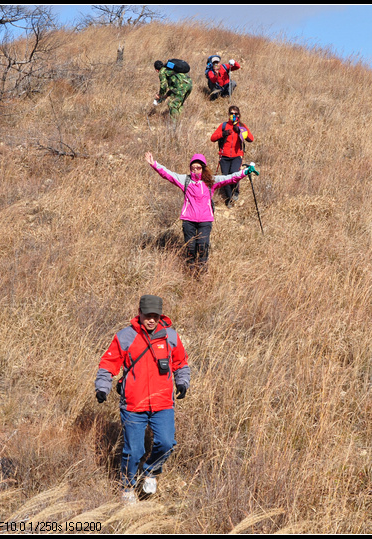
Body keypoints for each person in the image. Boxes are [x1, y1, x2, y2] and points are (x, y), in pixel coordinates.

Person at [95, 294, 190, 504]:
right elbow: (108, 363)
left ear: (160, 315)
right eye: (148, 315)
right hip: (133, 404)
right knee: (134, 450)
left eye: (155, 316)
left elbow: (181, 363)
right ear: (140, 313)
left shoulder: (170, 337)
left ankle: (151, 472)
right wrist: (103, 386)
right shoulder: (125, 337)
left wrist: (182, 381)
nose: (151, 320)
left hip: (163, 403)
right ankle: (127, 487)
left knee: (166, 443)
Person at [144, 151, 256, 271]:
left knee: (203, 245)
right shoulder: (185, 180)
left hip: (205, 220)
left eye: (198, 168)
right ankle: (191, 269)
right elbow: (168, 174)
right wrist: (154, 164)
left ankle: (202, 270)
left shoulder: (211, 181)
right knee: (190, 247)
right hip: (188, 220)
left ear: (203, 168)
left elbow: (230, 178)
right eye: (193, 168)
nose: (195, 171)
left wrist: (245, 172)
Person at [210, 105, 254, 207]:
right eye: (231, 113)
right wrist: (222, 134)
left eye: (236, 114)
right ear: (228, 114)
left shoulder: (242, 126)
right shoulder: (224, 126)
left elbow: (251, 139)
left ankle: (236, 192)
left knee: (234, 173)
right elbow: (212, 138)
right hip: (224, 156)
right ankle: (229, 199)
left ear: (239, 115)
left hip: (237, 155)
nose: (233, 115)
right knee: (225, 177)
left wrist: (240, 132)